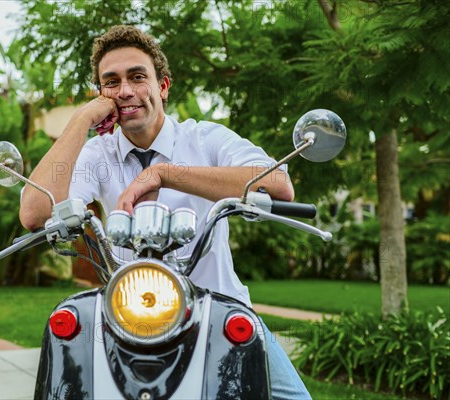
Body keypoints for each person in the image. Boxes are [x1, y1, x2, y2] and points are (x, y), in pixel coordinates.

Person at [20, 25, 310, 400]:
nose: (125, 91)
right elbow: (34, 211)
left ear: (163, 87)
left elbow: (278, 183)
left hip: (217, 314)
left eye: (137, 77)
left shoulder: (205, 137)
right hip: (128, 319)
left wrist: (165, 174)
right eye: (111, 82)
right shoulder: (98, 152)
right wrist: (81, 120)